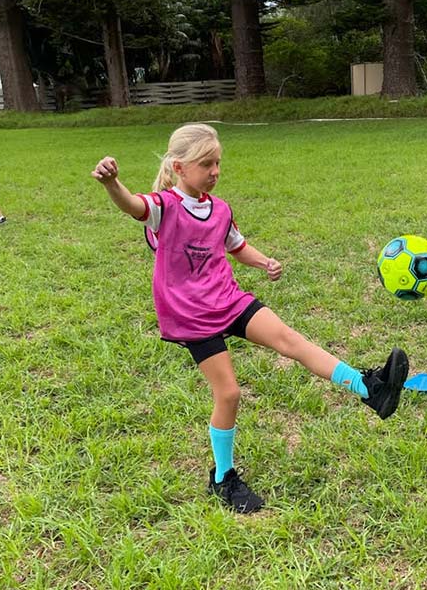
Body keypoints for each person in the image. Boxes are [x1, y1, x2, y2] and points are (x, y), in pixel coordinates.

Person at [91, 124, 409, 514]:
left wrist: (265, 262)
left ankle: (369, 389)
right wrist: (112, 184)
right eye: (206, 164)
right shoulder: (163, 207)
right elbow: (131, 205)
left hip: (227, 298)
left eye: (218, 163)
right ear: (179, 167)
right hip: (191, 314)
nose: (215, 171)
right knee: (229, 394)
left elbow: (236, 247)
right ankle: (222, 478)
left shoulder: (220, 209)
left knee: (290, 340)